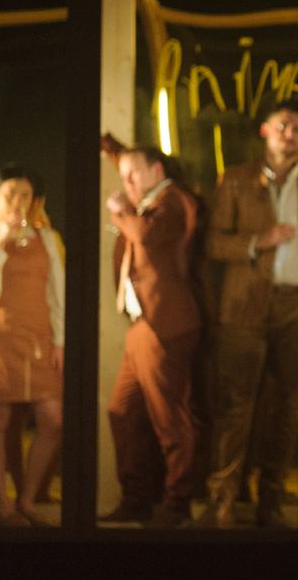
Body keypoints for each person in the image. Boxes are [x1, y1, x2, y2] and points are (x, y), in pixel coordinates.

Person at [203, 101, 298, 527]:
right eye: (283, 125)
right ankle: (222, 497)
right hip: (244, 305)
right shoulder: (236, 181)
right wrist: (258, 241)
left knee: (287, 406)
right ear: (265, 131)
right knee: (234, 404)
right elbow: (213, 244)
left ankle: (272, 500)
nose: (291, 133)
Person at [101, 147, 202, 527]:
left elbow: (145, 236)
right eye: (122, 175)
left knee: (169, 417)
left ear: (156, 169)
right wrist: (110, 147)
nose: (126, 183)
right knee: (122, 411)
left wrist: (120, 210)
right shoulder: (148, 199)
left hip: (165, 324)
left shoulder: (172, 200)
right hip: (142, 324)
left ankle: (178, 503)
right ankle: (137, 498)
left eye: (133, 174)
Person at [0, 163, 64, 526]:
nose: (17, 202)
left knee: (53, 418)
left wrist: (61, 340)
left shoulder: (45, 238)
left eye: (24, 195)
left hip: (38, 335)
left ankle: (28, 497)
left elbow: (57, 293)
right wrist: (0, 242)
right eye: (9, 194)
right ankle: (3, 504)